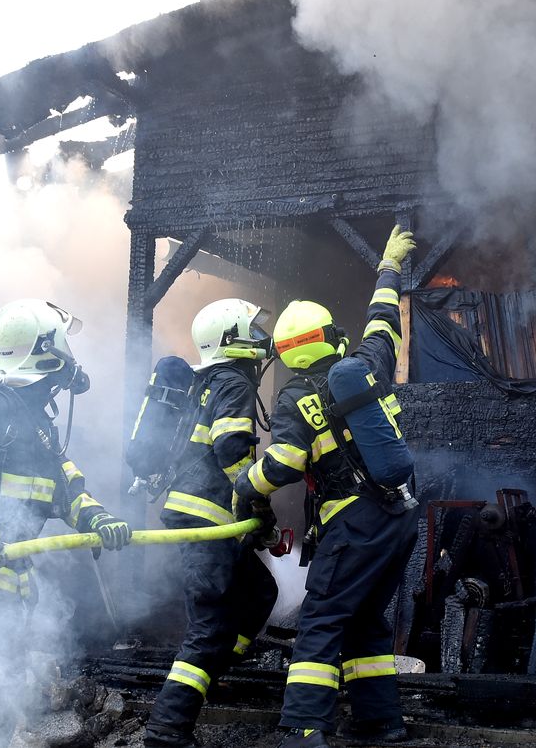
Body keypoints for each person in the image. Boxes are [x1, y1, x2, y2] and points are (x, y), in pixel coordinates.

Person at [233, 226, 419, 748]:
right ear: (329, 336)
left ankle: (302, 729)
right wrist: (388, 268)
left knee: (320, 619)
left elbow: (285, 464)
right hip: (399, 515)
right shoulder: (365, 367)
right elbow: (384, 323)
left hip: (354, 523)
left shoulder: (294, 397)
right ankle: (380, 721)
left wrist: (245, 483)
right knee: (364, 619)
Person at [0, 299, 131, 746]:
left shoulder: (35, 422)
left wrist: (98, 518)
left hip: (4, 588)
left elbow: (65, 488)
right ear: (48, 349)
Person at [143, 299, 280, 748]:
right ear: (230, 338)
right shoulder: (233, 381)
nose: (261, 339)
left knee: (260, 591)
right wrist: (256, 500)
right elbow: (231, 448)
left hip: (202, 513)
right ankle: (167, 729)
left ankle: (214, 671)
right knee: (208, 626)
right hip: (208, 518)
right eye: (252, 330)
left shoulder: (204, 383)